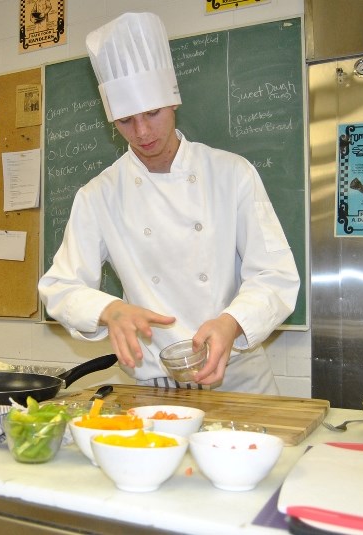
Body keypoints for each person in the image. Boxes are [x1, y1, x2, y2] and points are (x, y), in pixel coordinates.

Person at [38, 12, 299, 393]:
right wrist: (110, 310)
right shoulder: (99, 195)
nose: (142, 132)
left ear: (173, 101)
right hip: (152, 386)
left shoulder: (231, 173)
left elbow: (275, 274)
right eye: (126, 121)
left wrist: (232, 322)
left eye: (152, 113)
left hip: (237, 380)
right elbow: (59, 287)